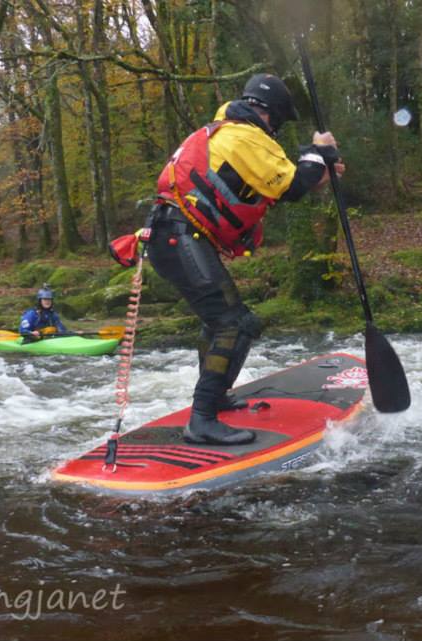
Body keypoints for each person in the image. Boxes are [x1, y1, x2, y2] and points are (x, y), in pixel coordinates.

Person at [146, 72, 345, 446]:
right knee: (234, 324)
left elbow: (293, 181)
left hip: (174, 237)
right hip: (178, 236)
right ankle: (202, 418)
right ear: (272, 114)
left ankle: (214, 400)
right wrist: (320, 150)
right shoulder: (243, 135)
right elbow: (293, 186)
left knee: (221, 321)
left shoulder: (228, 131)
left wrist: (320, 165)